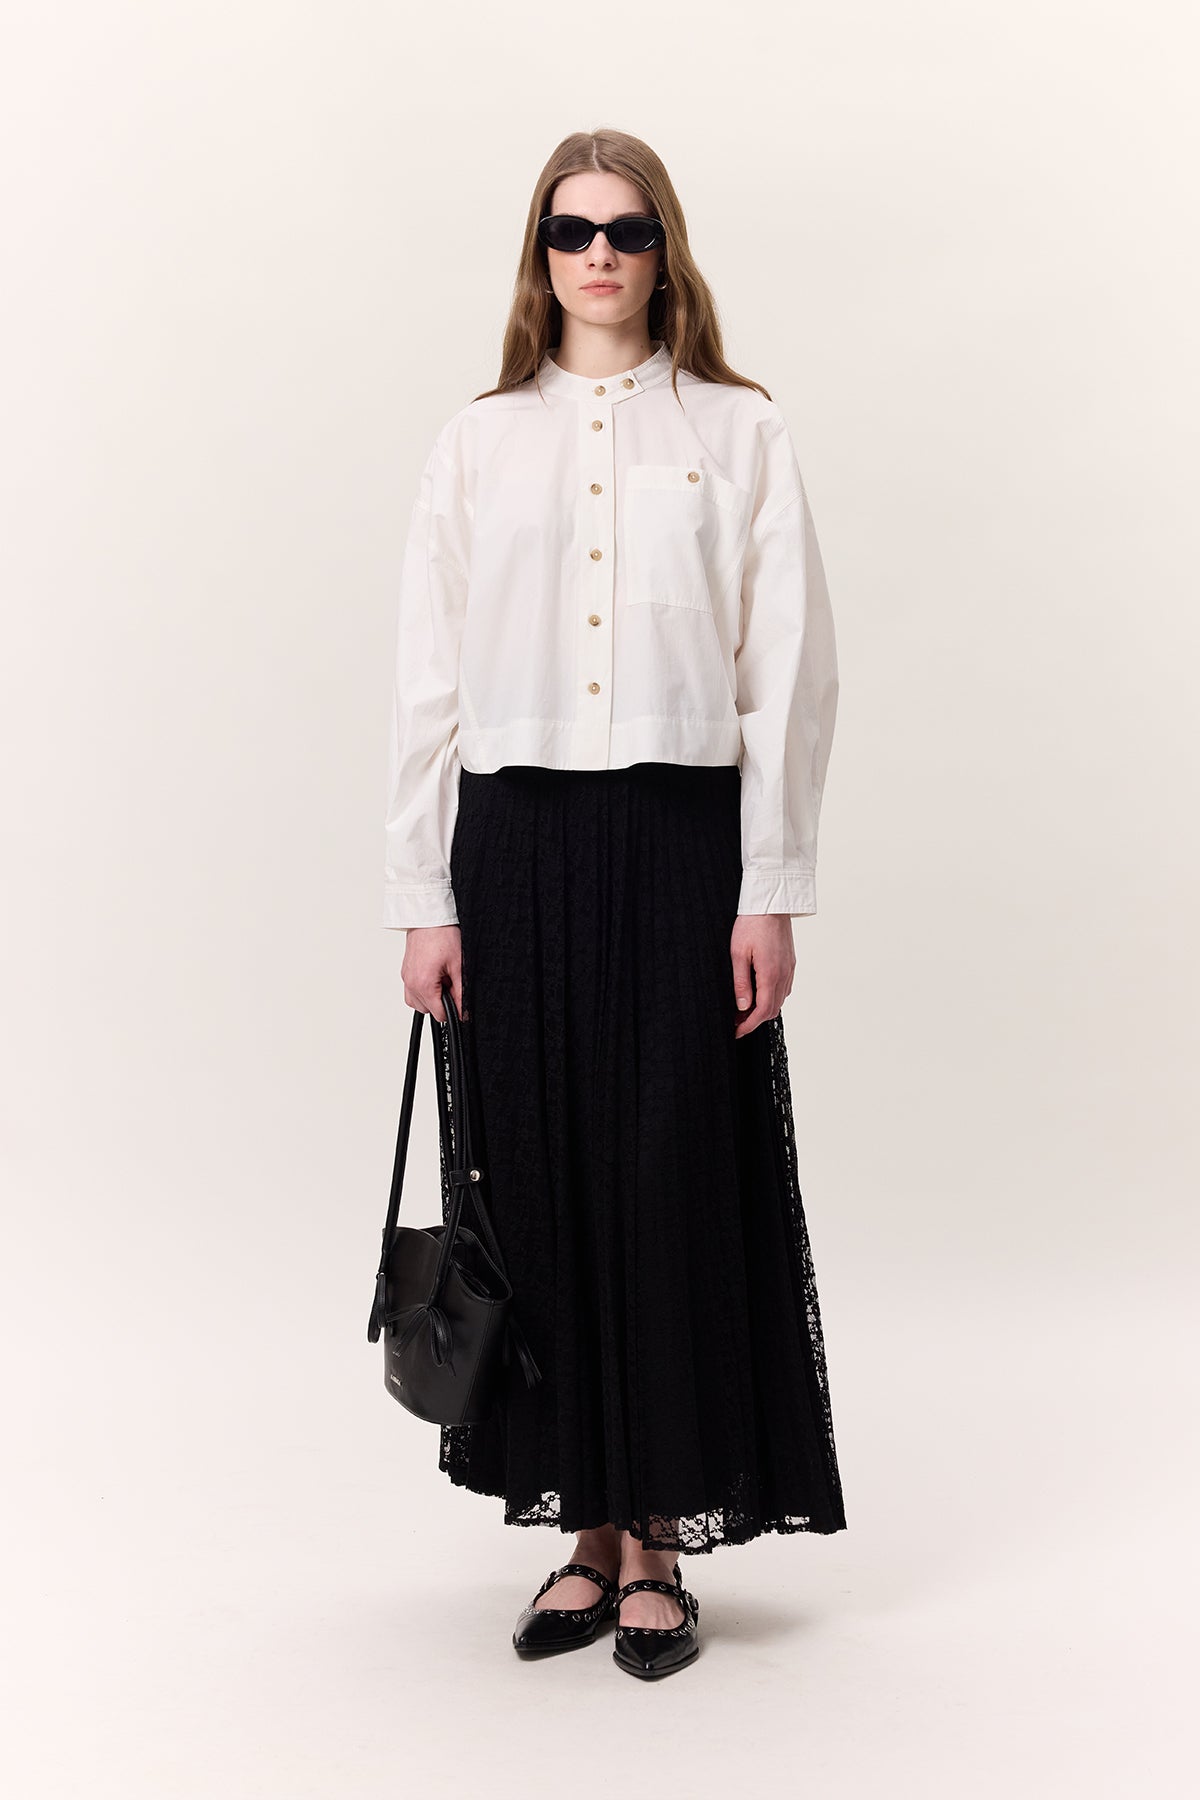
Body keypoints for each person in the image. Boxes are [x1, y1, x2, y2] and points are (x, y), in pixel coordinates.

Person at [383, 128, 847, 1680]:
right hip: (511, 845)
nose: (600, 254)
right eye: (573, 230)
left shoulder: (738, 429)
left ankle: (658, 1536)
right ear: (540, 252)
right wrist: (423, 894)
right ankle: (582, 1531)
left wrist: (770, 886)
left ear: (666, 251)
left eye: (629, 230)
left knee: (668, 1167)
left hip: (678, 837)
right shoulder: (478, 441)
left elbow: (788, 673)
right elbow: (427, 681)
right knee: (533, 1172)